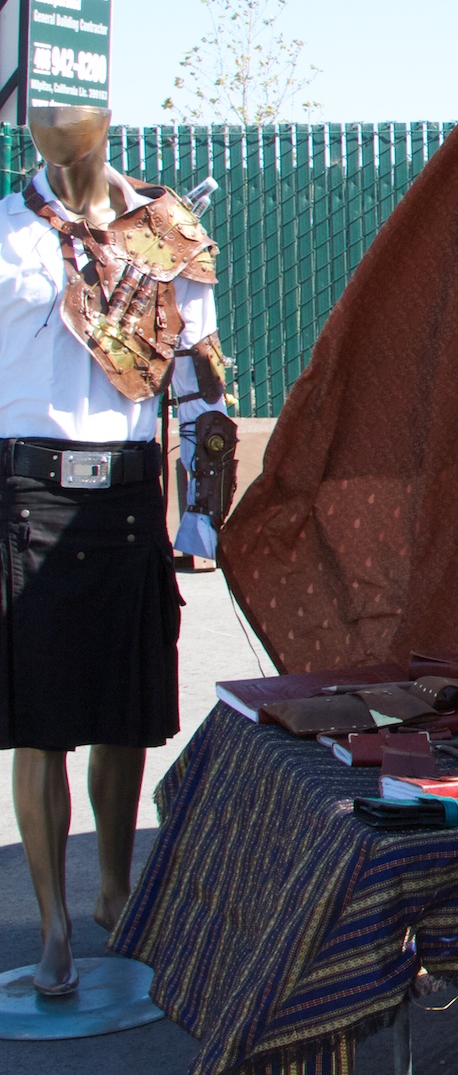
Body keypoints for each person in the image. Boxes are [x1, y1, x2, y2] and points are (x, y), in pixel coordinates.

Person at [0, 105, 231, 997]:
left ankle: (114, 892)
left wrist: (200, 517)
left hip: (132, 495)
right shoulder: (8, 234)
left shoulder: (167, 231)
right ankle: (54, 919)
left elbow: (202, 378)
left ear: (101, 132)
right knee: (40, 721)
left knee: (123, 709)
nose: (54, 130)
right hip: (29, 497)